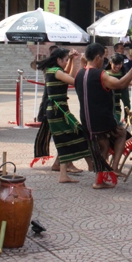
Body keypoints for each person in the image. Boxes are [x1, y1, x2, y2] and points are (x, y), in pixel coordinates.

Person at [74, 43, 132, 189]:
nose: (104, 60)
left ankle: (100, 180)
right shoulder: (101, 75)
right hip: (101, 120)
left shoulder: (79, 74)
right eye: (103, 57)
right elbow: (121, 84)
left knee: (105, 146)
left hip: (86, 120)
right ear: (97, 57)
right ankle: (113, 169)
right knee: (121, 134)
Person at [34, 48, 92, 183]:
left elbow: (68, 75)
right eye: (65, 60)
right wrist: (83, 64)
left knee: (64, 139)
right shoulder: (55, 72)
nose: (66, 62)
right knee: (73, 135)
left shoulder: (53, 71)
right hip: (57, 110)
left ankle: (64, 173)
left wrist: (72, 60)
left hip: (58, 110)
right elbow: (73, 80)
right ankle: (84, 166)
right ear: (58, 60)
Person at [113, 43, 132, 116]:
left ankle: (127, 119)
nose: (123, 50)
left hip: (124, 83)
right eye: (121, 48)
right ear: (116, 50)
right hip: (114, 84)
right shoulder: (113, 58)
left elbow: (131, 67)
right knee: (114, 103)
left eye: (123, 48)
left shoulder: (125, 58)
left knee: (127, 103)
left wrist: (130, 60)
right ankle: (116, 119)